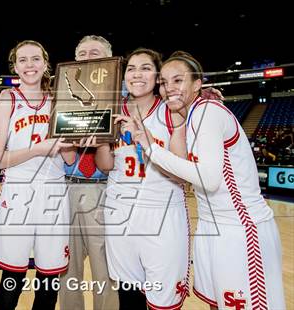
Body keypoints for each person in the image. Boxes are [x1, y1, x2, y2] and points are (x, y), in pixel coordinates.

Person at [134, 51, 285, 309]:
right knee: (216, 303)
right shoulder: (192, 115)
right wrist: (180, 116)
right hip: (210, 225)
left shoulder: (209, 112)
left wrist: (151, 148)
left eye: (178, 80)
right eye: (163, 82)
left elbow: (209, 179)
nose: (169, 88)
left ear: (197, 84)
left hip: (241, 228)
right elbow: (182, 173)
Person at [95, 48, 190, 310]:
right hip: (120, 213)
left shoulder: (172, 113)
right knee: (128, 298)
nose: (137, 74)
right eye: (131, 68)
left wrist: (146, 141)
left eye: (146, 68)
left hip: (161, 214)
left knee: (163, 302)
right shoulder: (112, 111)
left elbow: (181, 174)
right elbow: (105, 166)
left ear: (158, 76)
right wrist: (101, 140)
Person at [0, 40, 74, 310]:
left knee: (49, 279)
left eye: (35, 59)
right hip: (18, 192)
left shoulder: (60, 100)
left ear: (46, 64)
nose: (30, 65)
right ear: (14, 66)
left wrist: (75, 138)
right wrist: (38, 149)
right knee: (11, 277)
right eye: (23, 60)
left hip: (53, 192)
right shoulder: (7, 100)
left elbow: (70, 158)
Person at [58, 35, 119, 310]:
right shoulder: (62, 95)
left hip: (104, 188)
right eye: (81, 54)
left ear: (109, 57)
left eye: (95, 52)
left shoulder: (122, 96)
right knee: (67, 266)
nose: (87, 57)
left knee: (103, 267)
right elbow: (64, 150)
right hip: (66, 187)